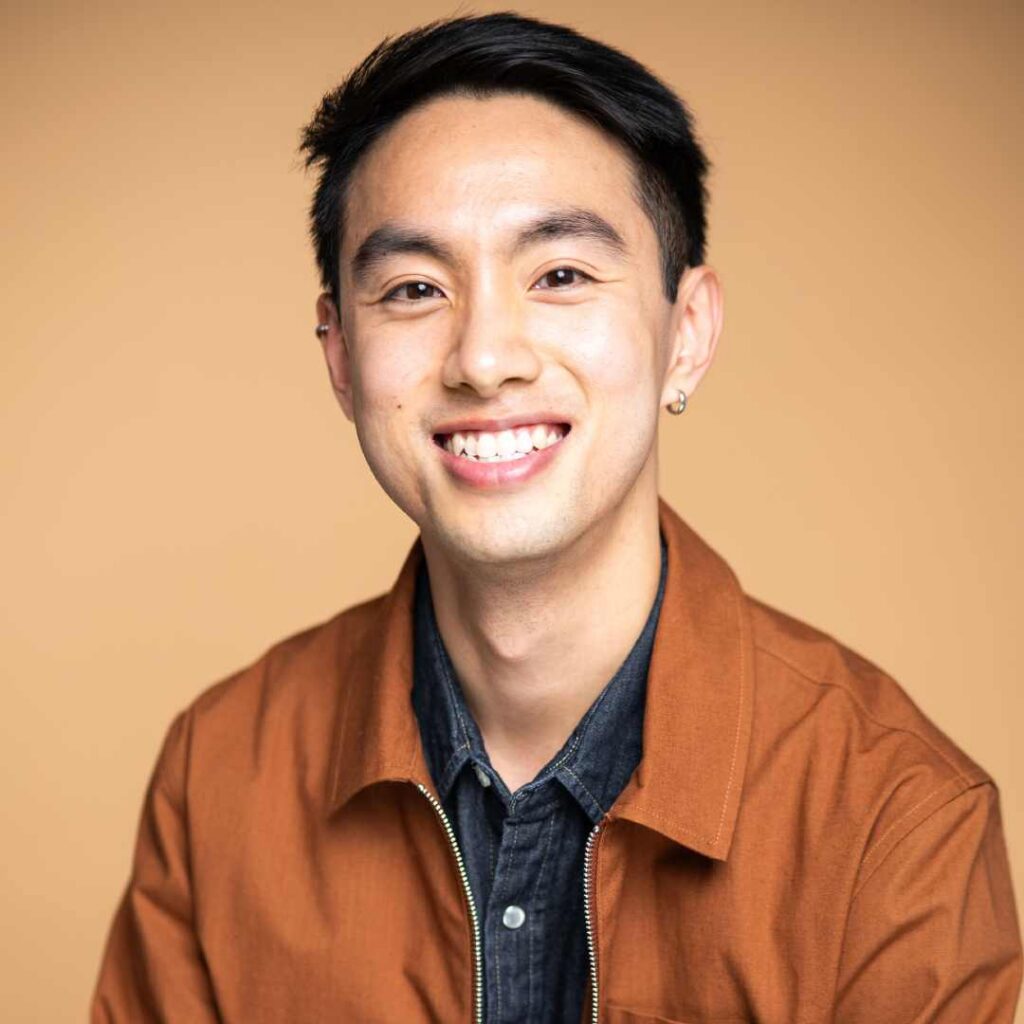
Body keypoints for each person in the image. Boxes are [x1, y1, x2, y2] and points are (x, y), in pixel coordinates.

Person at [91, 11, 1022, 1023]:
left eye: (561, 275)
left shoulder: (893, 813)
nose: (484, 356)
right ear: (340, 357)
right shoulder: (222, 772)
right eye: (412, 287)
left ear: (687, 332)